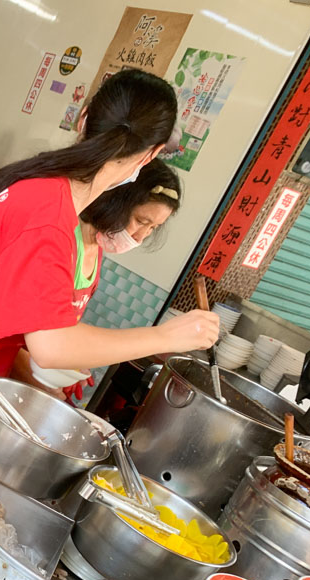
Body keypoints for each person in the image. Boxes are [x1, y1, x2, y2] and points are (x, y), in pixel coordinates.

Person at [0, 69, 220, 407]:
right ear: (152, 155)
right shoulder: (48, 214)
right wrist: (168, 337)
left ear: (83, 118)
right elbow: (51, 344)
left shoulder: (48, 197)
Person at [12, 158, 182, 400]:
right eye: (141, 221)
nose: (142, 236)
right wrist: (38, 376)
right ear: (117, 201)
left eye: (153, 227)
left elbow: (63, 328)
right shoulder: (62, 240)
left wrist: (72, 363)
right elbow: (5, 332)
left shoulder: (97, 247)